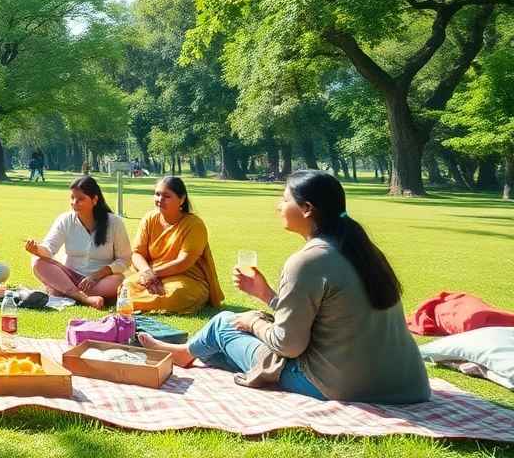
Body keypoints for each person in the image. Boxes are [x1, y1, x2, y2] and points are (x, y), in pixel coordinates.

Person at [140, 171, 431, 404]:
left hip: (341, 384)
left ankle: (184, 353)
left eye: (284, 199)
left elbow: (289, 345)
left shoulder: (308, 261)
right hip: (407, 384)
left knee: (222, 325)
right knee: (224, 347)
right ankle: (190, 351)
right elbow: (328, 317)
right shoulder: (364, 251)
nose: (279, 206)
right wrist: (267, 295)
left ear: (306, 209)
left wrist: (254, 322)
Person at [24, 175, 130, 308]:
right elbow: (50, 247)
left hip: (100, 280)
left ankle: (63, 291)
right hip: (68, 275)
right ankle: (84, 298)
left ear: (94, 200)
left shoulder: (114, 223)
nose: (75, 203)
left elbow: (125, 259)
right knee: (37, 261)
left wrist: (98, 275)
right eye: (72, 198)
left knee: (119, 282)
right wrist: (37, 250)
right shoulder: (66, 219)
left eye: (80, 199)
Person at [123, 176, 223, 314]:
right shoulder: (149, 218)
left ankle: (144, 303)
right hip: (151, 274)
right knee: (126, 286)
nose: (160, 199)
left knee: (176, 294)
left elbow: (184, 262)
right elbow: (137, 253)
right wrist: (146, 272)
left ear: (181, 199)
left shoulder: (194, 225)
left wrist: (153, 275)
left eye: (166, 196)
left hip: (188, 278)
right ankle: (146, 301)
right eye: (157, 194)